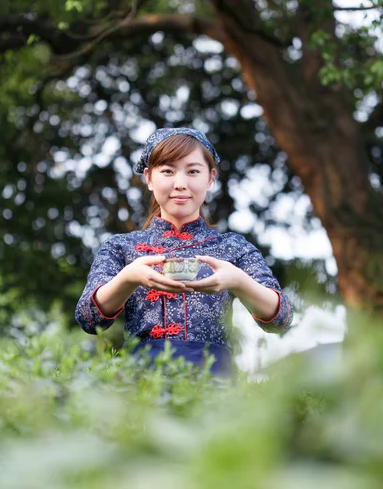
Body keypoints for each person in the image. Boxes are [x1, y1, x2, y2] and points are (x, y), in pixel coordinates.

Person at [75, 127, 293, 375]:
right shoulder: (121, 247)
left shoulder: (234, 248)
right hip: (142, 386)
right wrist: (128, 278)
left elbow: (282, 317)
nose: (180, 184)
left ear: (210, 178)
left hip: (215, 386)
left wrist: (238, 281)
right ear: (148, 178)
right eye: (167, 171)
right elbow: (88, 318)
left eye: (193, 171)